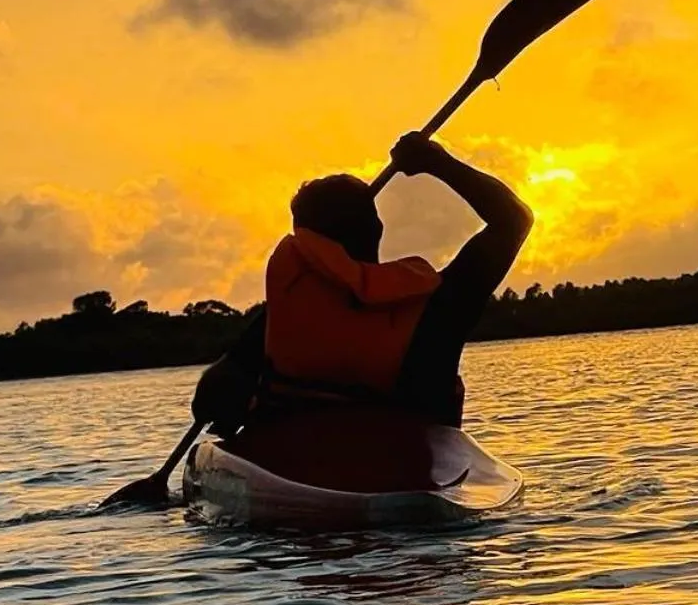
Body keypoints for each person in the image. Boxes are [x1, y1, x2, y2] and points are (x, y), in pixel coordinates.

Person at [192, 132, 532, 446]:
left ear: (306, 245)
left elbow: (212, 398)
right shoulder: (440, 306)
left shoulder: (284, 308)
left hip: (294, 461)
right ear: (376, 228)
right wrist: (437, 162)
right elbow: (514, 220)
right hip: (410, 471)